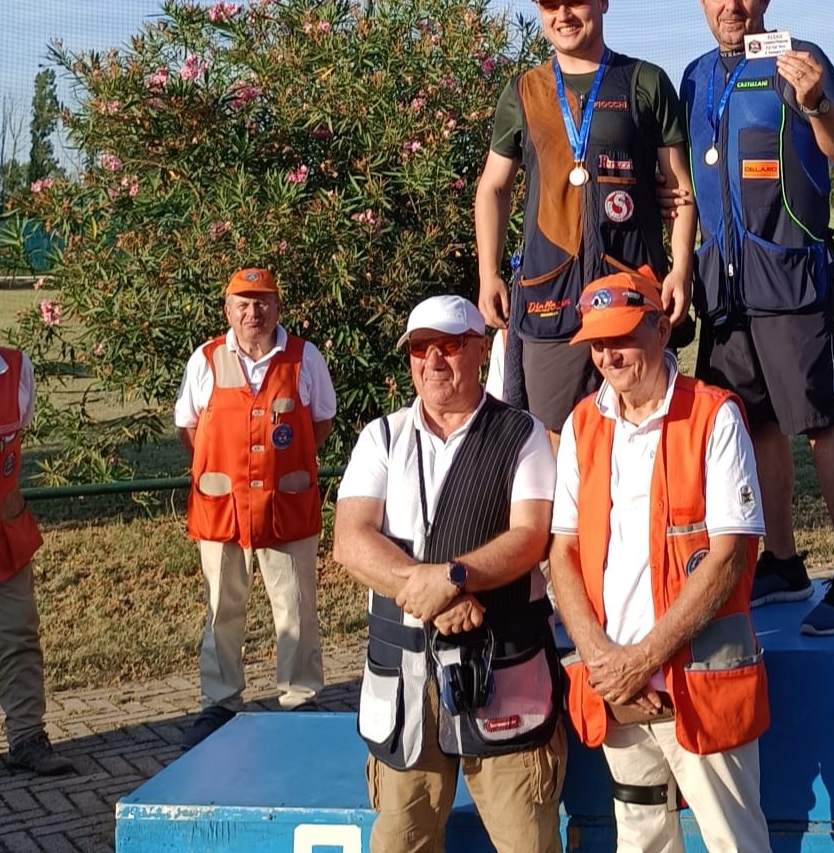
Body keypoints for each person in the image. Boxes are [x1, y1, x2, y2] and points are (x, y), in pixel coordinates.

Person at [681, 0, 834, 635]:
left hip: (792, 282)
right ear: (702, 2)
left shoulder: (800, 62)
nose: (732, 5)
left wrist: (817, 104)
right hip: (723, 293)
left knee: (821, 423)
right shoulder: (694, 77)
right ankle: (785, 562)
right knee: (754, 426)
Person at [550, 269, 772, 853]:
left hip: (700, 687)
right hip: (617, 693)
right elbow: (562, 552)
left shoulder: (715, 416)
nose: (608, 355)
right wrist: (603, 664)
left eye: (621, 337)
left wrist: (642, 660)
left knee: (735, 842)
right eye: (597, 342)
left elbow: (729, 558)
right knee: (641, 839)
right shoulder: (582, 424)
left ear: (661, 328)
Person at [334, 295, 564, 853]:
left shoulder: (523, 434)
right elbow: (351, 541)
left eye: (450, 345)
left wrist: (456, 575)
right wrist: (439, 593)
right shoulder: (382, 436)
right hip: (405, 682)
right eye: (420, 348)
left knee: (526, 843)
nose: (433, 360)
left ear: (481, 351)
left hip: (505, 673)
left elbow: (531, 536)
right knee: (401, 842)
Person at [475, 0, 697, 443]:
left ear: (602, 1)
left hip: (632, 287)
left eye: (574, 0)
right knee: (555, 440)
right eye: (550, 4)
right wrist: (488, 273)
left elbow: (680, 187)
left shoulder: (645, 81)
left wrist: (680, 268)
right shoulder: (524, 91)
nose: (563, 14)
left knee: (645, 433)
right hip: (549, 295)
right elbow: (493, 186)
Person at [174, 268, 335, 749]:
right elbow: (188, 427)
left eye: (262, 302)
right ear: (228, 311)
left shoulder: (305, 358)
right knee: (221, 608)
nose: (253, 312)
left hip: (288, 506)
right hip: (221, 509)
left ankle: (300, 699)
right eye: (242, 304)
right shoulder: (205, 359)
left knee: (297, 608)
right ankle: (220, 703)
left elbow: (321, 422)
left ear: (277, 307)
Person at [0, 287, 73, 782]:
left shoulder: (16, 369)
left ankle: (28, 739)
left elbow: (16, 429)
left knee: (19, 636)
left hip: (2, 532)